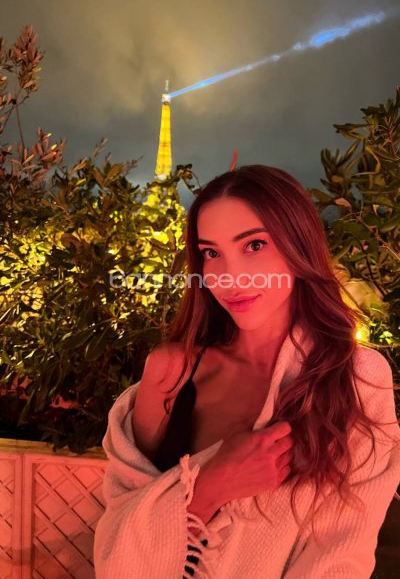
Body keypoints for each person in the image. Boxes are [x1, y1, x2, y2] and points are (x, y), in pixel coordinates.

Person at [93, 164, 400, 579]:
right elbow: (116, 544)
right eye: (211, 253)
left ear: (299, 246)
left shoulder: (357, 379)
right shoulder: (171, 373)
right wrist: (210, 487)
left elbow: (343, 556)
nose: (231, 277)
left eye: (254, 245)